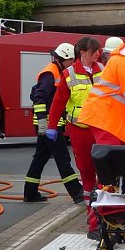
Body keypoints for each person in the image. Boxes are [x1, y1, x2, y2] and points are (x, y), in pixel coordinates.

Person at [46, 36, 106, 239]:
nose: (98, 54)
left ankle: (107, 219)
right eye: (94, 51)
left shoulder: (103, 71)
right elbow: (58, 103)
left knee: (105, 177)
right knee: (88, 178)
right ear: (83, 53)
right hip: (80, 131)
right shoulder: (69, 74)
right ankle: (93, 224)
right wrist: (52, 126)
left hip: (101, 130)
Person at [23, 42, 84, 204]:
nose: (72, 63)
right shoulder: (50, 74)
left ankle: (30, 192)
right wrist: (43, 121)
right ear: (60, 59)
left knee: (40, 157)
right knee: (62, 157)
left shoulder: (56, 72)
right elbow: (39, 97)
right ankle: (77, 192)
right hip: (49, 124)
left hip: (49, 123)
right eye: (70, 60)